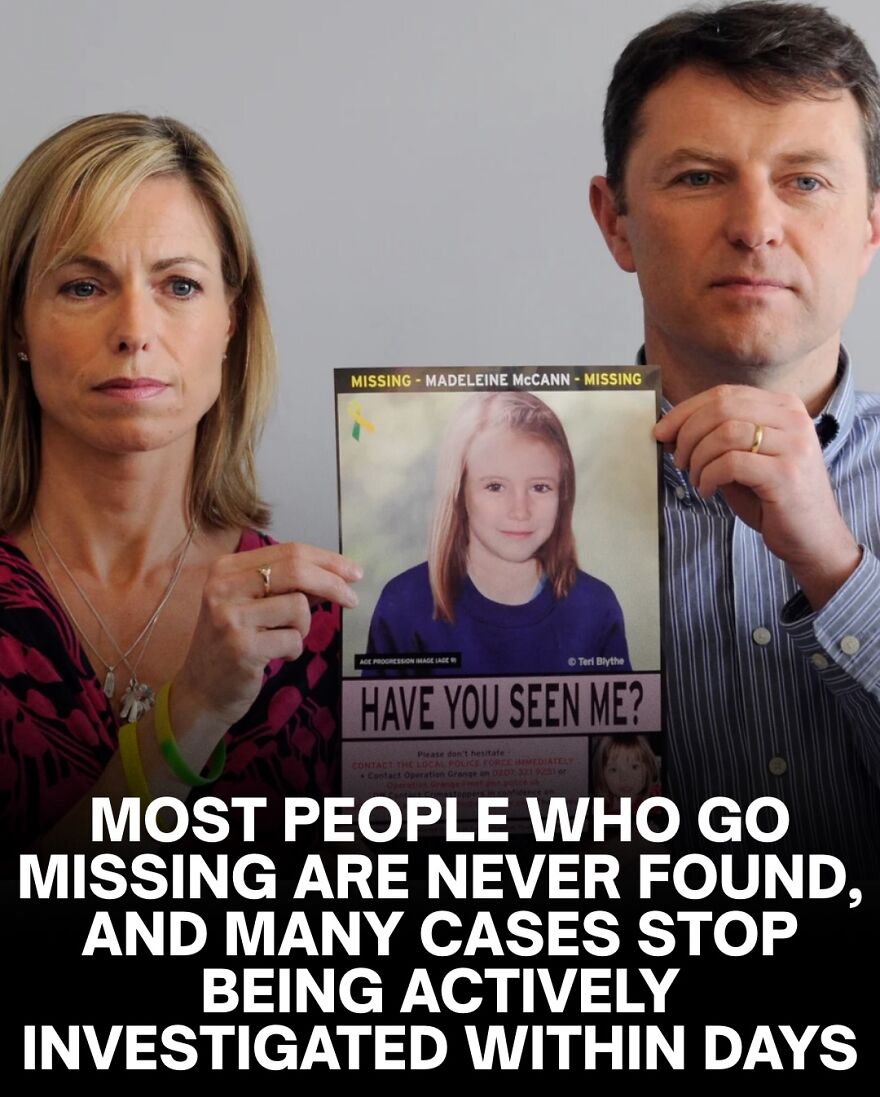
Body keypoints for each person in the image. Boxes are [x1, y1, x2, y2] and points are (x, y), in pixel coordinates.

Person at [0, 113, 361, 859]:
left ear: (231, 322)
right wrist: (191, 712)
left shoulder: (324, 628)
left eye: (180, 285)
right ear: (17, 324)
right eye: (83, 285)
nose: (135, 329)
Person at [589, 1, 880, 875]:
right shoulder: (510, 495)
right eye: (699, 177)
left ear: (871, 226)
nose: (755, 226)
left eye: (805, 181)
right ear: (615, 222)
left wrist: (835, 567)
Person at [364, 390, 631, 676]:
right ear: (459, 494)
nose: (520, 510)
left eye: (540, 487)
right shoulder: (404, 604)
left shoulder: (596, 607)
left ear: (563, 494)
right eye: (495, 486)